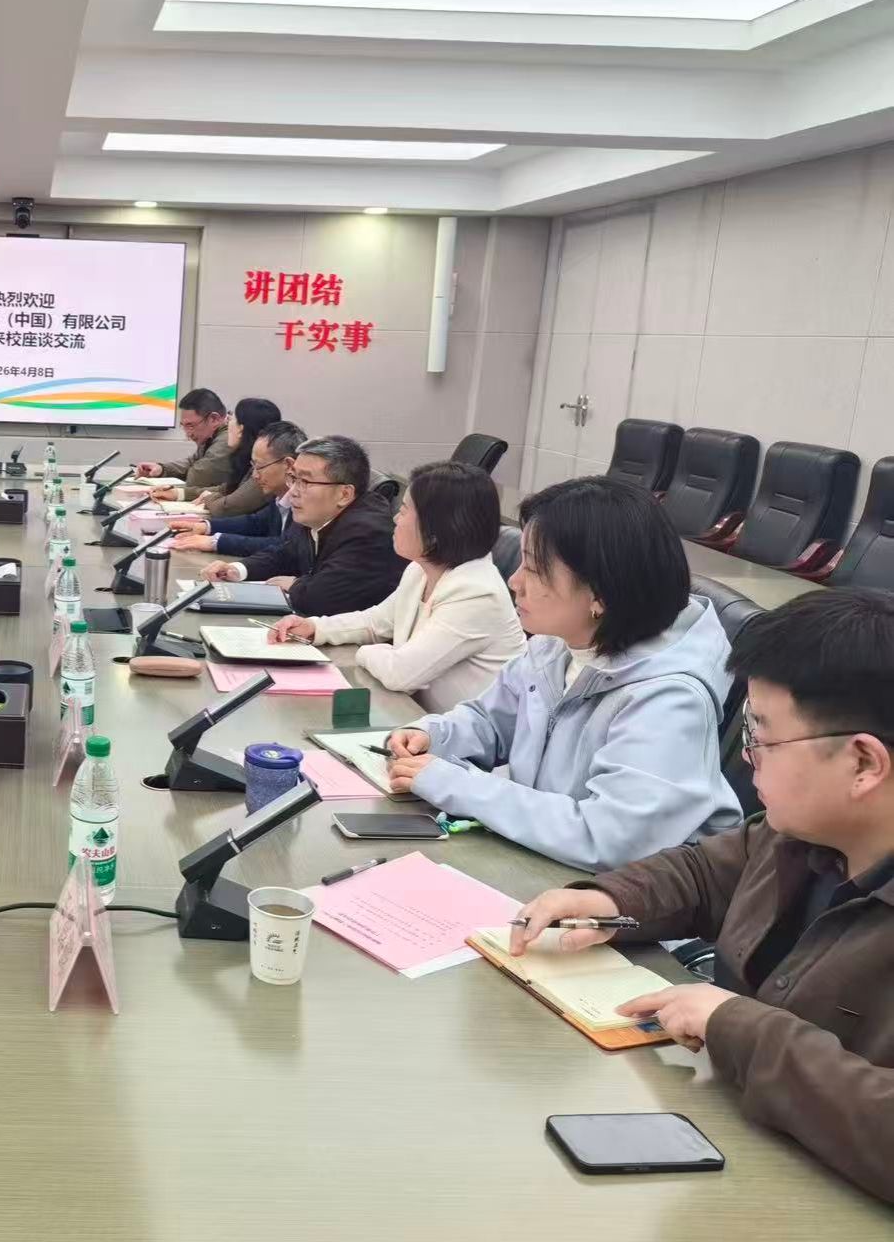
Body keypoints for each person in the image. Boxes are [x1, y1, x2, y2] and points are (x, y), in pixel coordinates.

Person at [511, 588, 894, 1203]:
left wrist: (735, 1025)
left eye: (761, 739)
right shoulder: (799, 833)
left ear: (863, 764)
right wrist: (607, 900)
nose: (748, 760)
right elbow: (704, 874)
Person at [385, 476, 742, 872]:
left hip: (622, 897)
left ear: (599, 595)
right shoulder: (558, 643)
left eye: (534, 569)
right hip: (542, 861)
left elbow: (609, 838)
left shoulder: (670, 700)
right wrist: (434, 735)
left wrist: (457, 785)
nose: (514, 581)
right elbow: (491, 720)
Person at [270, 461, 525, 713]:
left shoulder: (477, 593)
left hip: (462, 736)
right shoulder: (421, 569)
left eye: (403, 511)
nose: (395, 519)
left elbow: (400, 674)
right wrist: (315, 628)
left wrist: (369, 652)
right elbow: (375, 623)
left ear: (436, 528)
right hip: (415, 717)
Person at [196, 435, 405, 616]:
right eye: (293, 478)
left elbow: (322, 598)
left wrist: (296, 584)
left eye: (305, 482)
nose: (293, 491)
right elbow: (284, 554)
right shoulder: (316, 515)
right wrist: (238, 569)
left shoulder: (369, 532)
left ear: (344, 494)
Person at [168, 420, 305, 556]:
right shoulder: (281, 497)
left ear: (288, 465)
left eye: (260, 466)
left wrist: (216, 542)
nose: (255, 475)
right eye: (253, 466)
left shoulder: (306, 501)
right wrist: (205, 526)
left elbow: (287, 545)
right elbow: (255, 523)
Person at [153, 397, 282, 518]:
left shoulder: (265, 469)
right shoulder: (246, 459)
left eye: (231, 419)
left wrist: (209, 498)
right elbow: (226, 489)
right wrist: (178, 493)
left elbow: (227, 507)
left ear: (241, 430)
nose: (227, 423)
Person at [133, 387, 232, 498]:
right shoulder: (212, 434)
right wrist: (162, 469)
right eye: (183, 426)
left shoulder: (228, 438)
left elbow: (196, 479)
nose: (188, 434)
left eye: (191, 426)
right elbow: (193, 462)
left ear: (214, 419)